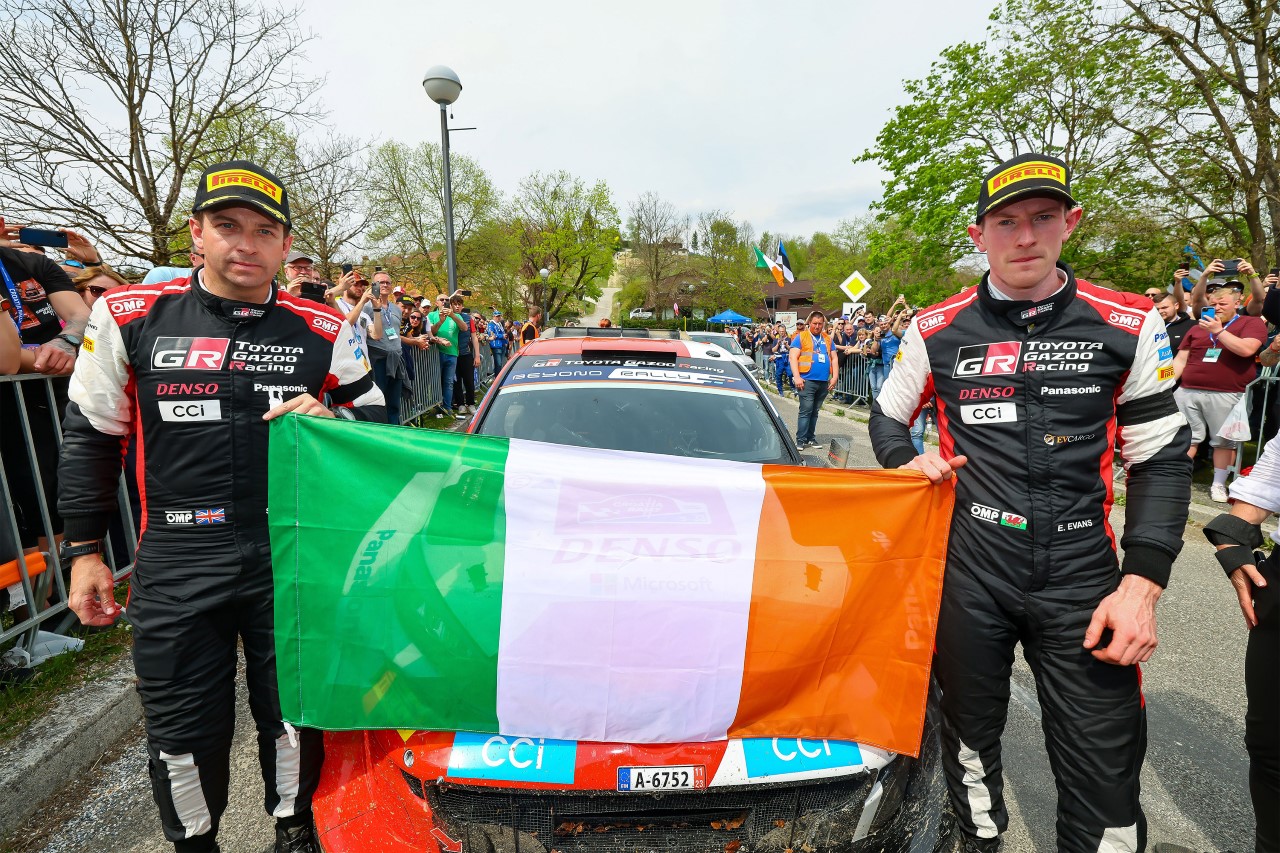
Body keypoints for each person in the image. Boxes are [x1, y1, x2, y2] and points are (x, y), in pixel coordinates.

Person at [57, 160, 386, 853]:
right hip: (178, 558)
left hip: (291, 557)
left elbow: (379, 422)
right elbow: (91, 436)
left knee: (295, 716)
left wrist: (332, 418)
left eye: (265, 231)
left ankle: (294, 833)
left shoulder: (324, 325)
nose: (246, 243)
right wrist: (84, 551)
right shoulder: (128, 314)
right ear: (196, 233)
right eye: (228, 225)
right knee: (182, 731)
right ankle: (195, 844)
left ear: (285, 243)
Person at [870, 153, 1191, 853]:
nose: (1024, 237)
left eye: (1043, 217)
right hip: (971, 567)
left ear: (1070, 223)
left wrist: (1141, 587)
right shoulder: (935, 327)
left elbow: (1163, 459)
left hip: (1083, 574)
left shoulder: (1130, 321)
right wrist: (905, 460)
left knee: (1106, 772)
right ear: (977, 235)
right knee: (968, 744)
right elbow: (888, 417)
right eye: (1005, 222)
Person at [1171, 279, 1266, 501]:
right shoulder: (1197, 328)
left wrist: (1219, 331)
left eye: (1222, 304)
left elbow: (1247, 349)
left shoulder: (1251, 323)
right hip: (1187, 391)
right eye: (1213, 304)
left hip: (1227, 393)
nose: (1217, 308)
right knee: (1185, 438)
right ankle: (1175, 480)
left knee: (1223, 441)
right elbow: (1180, 360)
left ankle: (1218, 484)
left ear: (1237, 303)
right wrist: (1163, 384)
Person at [788, 310, 838, 449]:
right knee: (806, 410)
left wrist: (834, 377)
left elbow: (834, 358)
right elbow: (793, 357)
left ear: (823, 324)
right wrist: (797, 377)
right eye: (815, 323)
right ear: (809, 323)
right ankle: (800, 440)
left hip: (823, 381)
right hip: (806, 380)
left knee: (815, 411)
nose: (817, 326)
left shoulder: (827, 339)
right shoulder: (801, 336)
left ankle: (810, 438)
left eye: (820, 324)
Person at [367, 270, 405, 426]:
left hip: (396, 359)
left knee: (394, 401)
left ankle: (394, 430)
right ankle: (381, 431)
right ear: (373, 285)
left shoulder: (396, 309)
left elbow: (396, 332)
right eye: (380, 282)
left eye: (387, 282)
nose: (384, 285)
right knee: (379, 399)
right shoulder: (366, 307)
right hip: (378, 360)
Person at [427, 293, 461, 418]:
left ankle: (447, 407)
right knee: (435, 381)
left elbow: (464, 328)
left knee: (448, 382)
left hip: (452, 353)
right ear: (436, 302)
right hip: (436, 353)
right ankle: (435, 407)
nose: (444, 301)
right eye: (441, 299)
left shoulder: (456, 315)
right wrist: (440, 321)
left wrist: (452, 315)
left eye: (447, 300)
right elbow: (431, 332)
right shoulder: (432, 315)